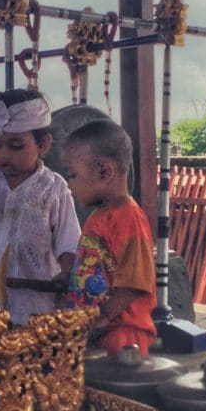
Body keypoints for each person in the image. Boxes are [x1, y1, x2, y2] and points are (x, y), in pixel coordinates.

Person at [0, 89, 81, 326]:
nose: (3, 155)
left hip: (36, 314)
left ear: (43, 144)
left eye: (16, 146)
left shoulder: (54, 189)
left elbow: (69, 245)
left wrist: (66, 278)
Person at [61, 119, 157, 357]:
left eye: (73, 175)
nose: (69, 184)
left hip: (124, 336)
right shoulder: (98, 216)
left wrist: (102, 317)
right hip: (98, 332)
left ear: (105, 171)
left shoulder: (130, 218)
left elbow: (133, 283)